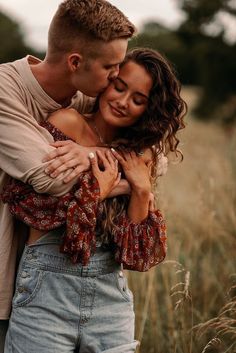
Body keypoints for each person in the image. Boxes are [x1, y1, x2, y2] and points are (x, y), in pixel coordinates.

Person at [2, 48, 186, 352]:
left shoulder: (143, 153)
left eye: (138, 100)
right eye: (119, 87)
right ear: (108, 80)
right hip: (46, 290)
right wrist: (109, 189)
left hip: (110, 300)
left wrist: (139, 191)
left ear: (149, 108)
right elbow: (32, 207)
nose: (123, 102)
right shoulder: (67, 123)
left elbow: (136, 255)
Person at [0, 0, 136, 349]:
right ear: (75, 62)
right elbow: (52, 177)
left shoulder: (82, 97)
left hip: (45, 279)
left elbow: (151, 155)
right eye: (110, 66)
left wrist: (91, 155)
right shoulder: (4, 90)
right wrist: (118, 179)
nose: (116, 76)